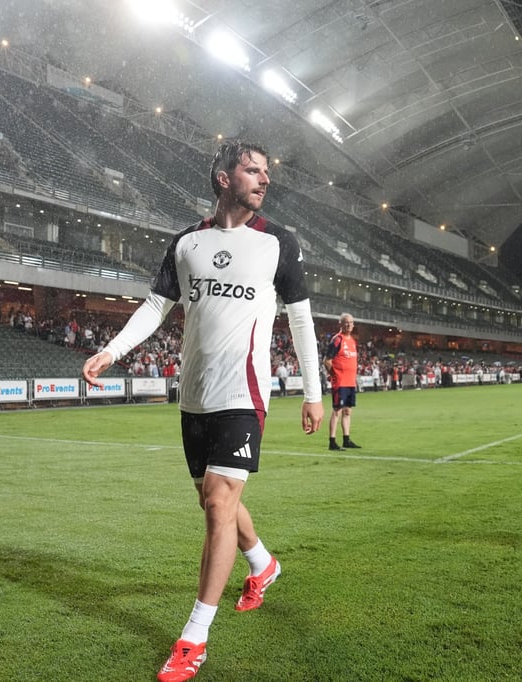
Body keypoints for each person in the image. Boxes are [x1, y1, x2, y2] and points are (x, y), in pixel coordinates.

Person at [82, 139, 323, 682]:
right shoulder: (187, 241)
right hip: (194, 397)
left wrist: (313, 391)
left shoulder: (278, 242)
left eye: (266, 172)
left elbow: (301, 320)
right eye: (252, 170)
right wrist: (112, 351)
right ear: (223, 178)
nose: (264, 179)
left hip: (245, 394)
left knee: (218, 502)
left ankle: (194, 638)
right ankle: (263, 563)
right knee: (213, 501)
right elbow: (155, 306)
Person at [324, 312, 361, 451]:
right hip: (340, 382)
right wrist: (334, 375)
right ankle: (332, 442)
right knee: (337, 411)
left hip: (350, 382)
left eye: (351, 323)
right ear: (340, 324)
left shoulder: (352, 341)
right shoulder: (337, 340)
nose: (349, 325)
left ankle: (346, 439)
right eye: (346, 322)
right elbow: (327, 361)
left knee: (347, 411)